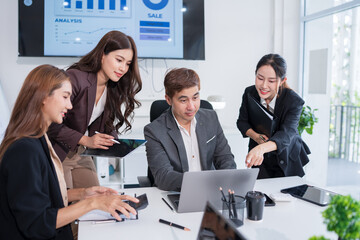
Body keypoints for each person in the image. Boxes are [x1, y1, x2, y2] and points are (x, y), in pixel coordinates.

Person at [0, 65, 139, 239]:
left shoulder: (39, 139)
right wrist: (93, 203)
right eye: (65, 97)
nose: (70, 105)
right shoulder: (24, 150)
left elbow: (44, 195)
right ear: (43, 96)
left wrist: (84, 193)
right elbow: (37, 223)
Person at [47, 30, 142, 189]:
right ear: (102, 55)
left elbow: (105, 123)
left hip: (81, 153)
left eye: (127, 64)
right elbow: (51, 124)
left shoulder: (112, 86)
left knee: (97, 200)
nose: (123, 68)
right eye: (119, 60)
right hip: (57, 151)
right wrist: (86, 140)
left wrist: (113, 141)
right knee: (66, 205)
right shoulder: (75, 78)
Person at [144, 68, 236, 191]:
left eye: (195, 97)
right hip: (176, 192)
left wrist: (226, 181)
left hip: (212, 190)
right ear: (168, 100)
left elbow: (226, 158)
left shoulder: (211, 118)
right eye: (183, 100)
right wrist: (201, 183)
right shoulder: (154, 131)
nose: (191, 107)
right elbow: (164, 177)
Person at [236, 53, 310, 179]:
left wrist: (261, 149)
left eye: (271, 81)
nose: (264, 85)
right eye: (260, 78)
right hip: (262, 160)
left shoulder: (294, 101)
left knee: (287, 196)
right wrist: (257, 137)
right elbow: (242, 122)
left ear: (282, 81)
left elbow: (287, 134)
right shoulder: (249, 93)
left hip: (287, 157)